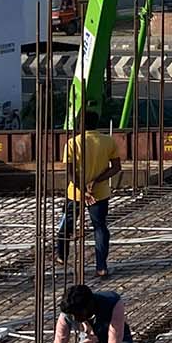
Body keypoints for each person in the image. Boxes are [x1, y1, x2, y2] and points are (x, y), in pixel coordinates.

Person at [55, 111, 120, 278]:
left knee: (66, 225)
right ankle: (101, 266)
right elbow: (116, 167)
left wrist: (82, 190)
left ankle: (61, 255)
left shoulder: (72, 143)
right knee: (100, 227)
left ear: (79, 125)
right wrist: (96, 181)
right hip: (99, 193)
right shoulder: (108, 141)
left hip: (75, 193)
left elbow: (70, 173)